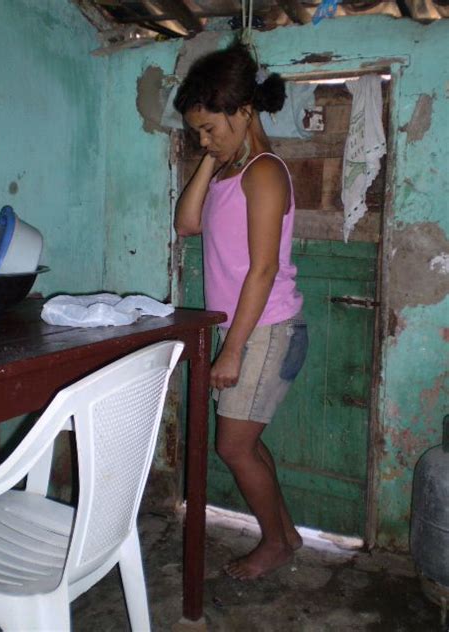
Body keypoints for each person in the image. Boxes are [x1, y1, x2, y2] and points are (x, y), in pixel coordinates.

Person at [174, 43, 308, 580]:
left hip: (265, 329)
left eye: (210, 127)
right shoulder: (230, 172)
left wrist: (230, 351)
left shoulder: (265, 172)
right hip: (245, 329)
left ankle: (275, 542)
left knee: (233, 446)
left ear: (242, 110)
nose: (202, 138)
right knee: (245, 443)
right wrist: (211, 155)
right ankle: (288, 534)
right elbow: (186, 224)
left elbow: (263, 271)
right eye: (197, 132)